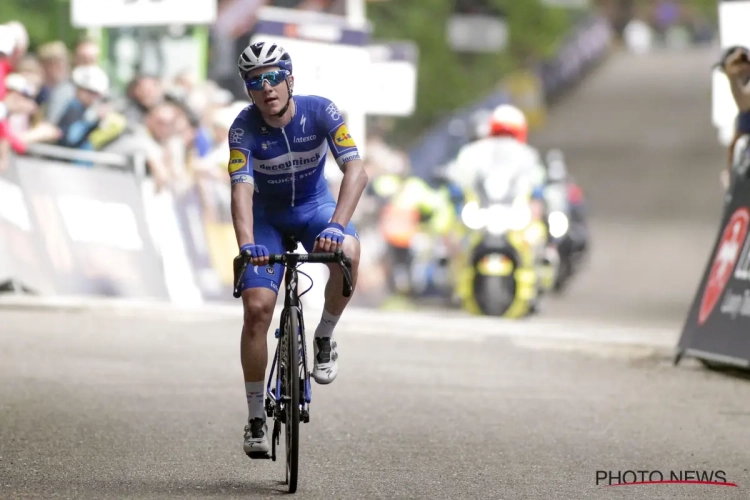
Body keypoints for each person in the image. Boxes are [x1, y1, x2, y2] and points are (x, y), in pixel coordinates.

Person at [228, 42, 368, 454]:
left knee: (350, 255)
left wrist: (338, 226)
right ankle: (255, 415)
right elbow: (240, 190)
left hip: (314, 208)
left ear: (290, 79)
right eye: (256, 81)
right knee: (256, 309)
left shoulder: (322, 111)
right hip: (267, 217)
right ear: (249, 91)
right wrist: (247, 245)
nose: (266, 87)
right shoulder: (243, 128)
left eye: (273, 77)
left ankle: (323, 337)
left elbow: (356, 170)